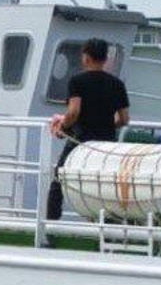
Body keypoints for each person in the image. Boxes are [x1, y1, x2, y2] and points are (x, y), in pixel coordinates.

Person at [47, 37, 129, 220]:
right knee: (106, 185)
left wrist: (62, 125)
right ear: (105, 58)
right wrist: (108, 124)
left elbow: (74, 112)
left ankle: (49, 228)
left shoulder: (78, 81)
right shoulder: (117, 84)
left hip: (81, 140)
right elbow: (124, 119)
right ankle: (109, 225)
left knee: (58, 179)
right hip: (107, 142)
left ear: (86, 57)